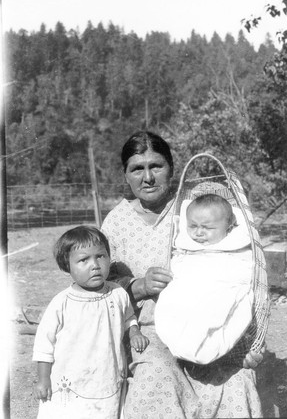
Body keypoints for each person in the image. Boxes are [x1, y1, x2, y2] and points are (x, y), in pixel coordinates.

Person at [101, 130, 266, 419]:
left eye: (156, 166)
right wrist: (137, 286)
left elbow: (244, 276)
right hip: (148, 334)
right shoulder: (116, 222)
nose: (148, 177)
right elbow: (98, 287)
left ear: (172, 169)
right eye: (137, 169)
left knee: (235, 384)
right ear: (125, 175)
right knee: (156, 383)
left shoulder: (195, 209)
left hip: (211, 326)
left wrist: (252, 342)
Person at [32, 225, 149, 419]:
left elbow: (128, 318)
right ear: (67, 265)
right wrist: (43, 380)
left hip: (106, 375)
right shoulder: (62, 303)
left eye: (100, 256)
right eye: (83, 260)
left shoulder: (118, 294)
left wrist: (134, 332)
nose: (94, 265)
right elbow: (44, 346)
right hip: (71, 380)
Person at [155, 194, 255, 365]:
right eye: (192, 226)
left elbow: (244, 273)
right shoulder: (186, 245)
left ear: (229, 226)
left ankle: (207, 347)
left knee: (217, 311)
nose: (198, 232)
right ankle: (182, 344)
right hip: (189, 291)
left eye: (207, 228)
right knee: (171, 304)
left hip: (221, 290)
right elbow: (179, 267)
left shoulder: (236, 246)